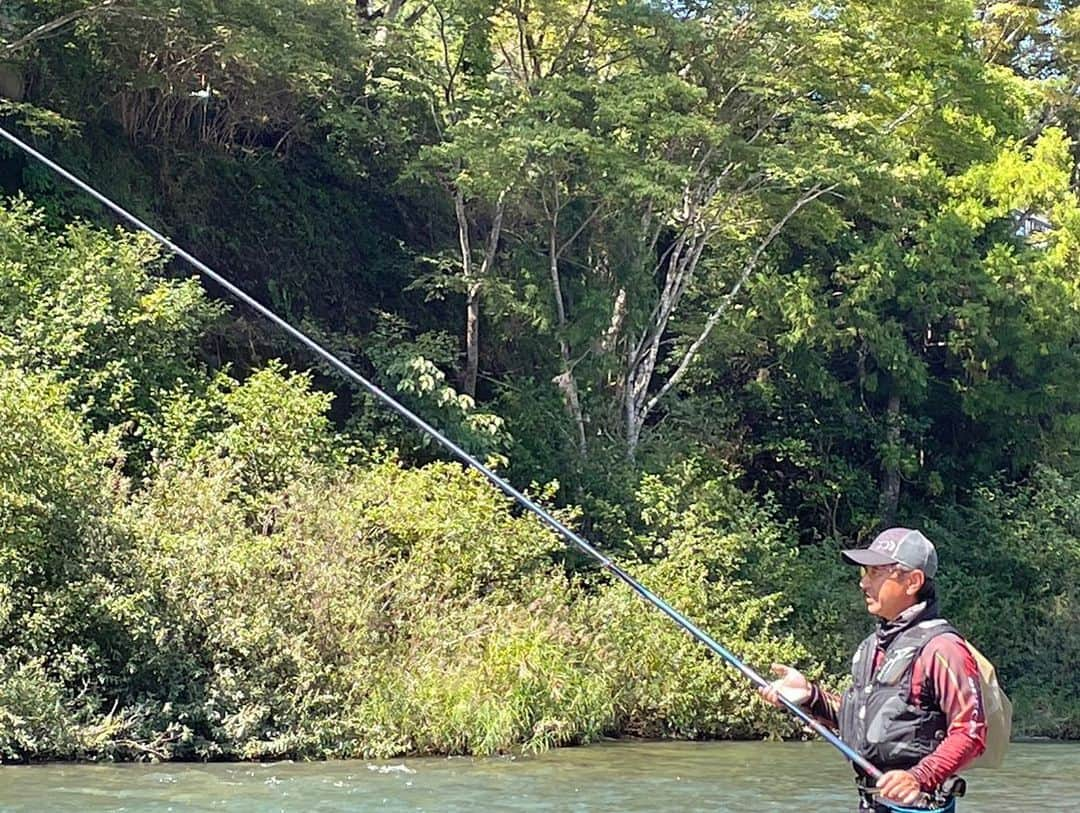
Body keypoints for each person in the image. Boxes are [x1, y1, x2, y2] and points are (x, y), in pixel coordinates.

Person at [760, 528, 986, 812]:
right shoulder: (872, 647)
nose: (864, 584)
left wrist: (918, 778)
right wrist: (809, 696)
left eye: (875, 573)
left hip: (917, 807)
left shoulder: (943, 649)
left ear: (913, 582)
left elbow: (970, 732)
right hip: (871, 804)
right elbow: (865, 722)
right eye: (863, 573)